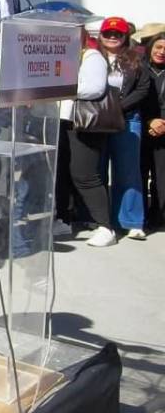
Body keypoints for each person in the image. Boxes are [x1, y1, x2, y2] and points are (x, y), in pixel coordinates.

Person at [61, 39, 121, 247]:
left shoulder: (92, 57)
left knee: (85, 176)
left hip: (84, 124)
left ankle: (106, 227)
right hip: (64, 122)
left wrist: (57, 86)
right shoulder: (65, 55)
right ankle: (63, 218)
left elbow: (94, 89)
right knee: (63, 173)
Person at [96, 16, 151, 240]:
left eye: (117, 34)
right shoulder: (91, 57)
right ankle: (99, 220)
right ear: (100, 35)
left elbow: (143, 88)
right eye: (108, 33)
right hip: (98, 122)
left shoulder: (137, 58)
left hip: (127, 119)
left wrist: (118, 107)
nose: (112, 37)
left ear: (124, 36)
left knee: (128, 171)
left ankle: (132, 221)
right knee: (97, 171)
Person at [141, 32, 165, 230]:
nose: (162, 52)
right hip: (141, 129)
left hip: (164, 131)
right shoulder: (139, 68)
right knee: (138, 174)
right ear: (150, 48)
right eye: (158, 47)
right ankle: (138, 215)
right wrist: (150, 121)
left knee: (162, 177)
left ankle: (157, 215)